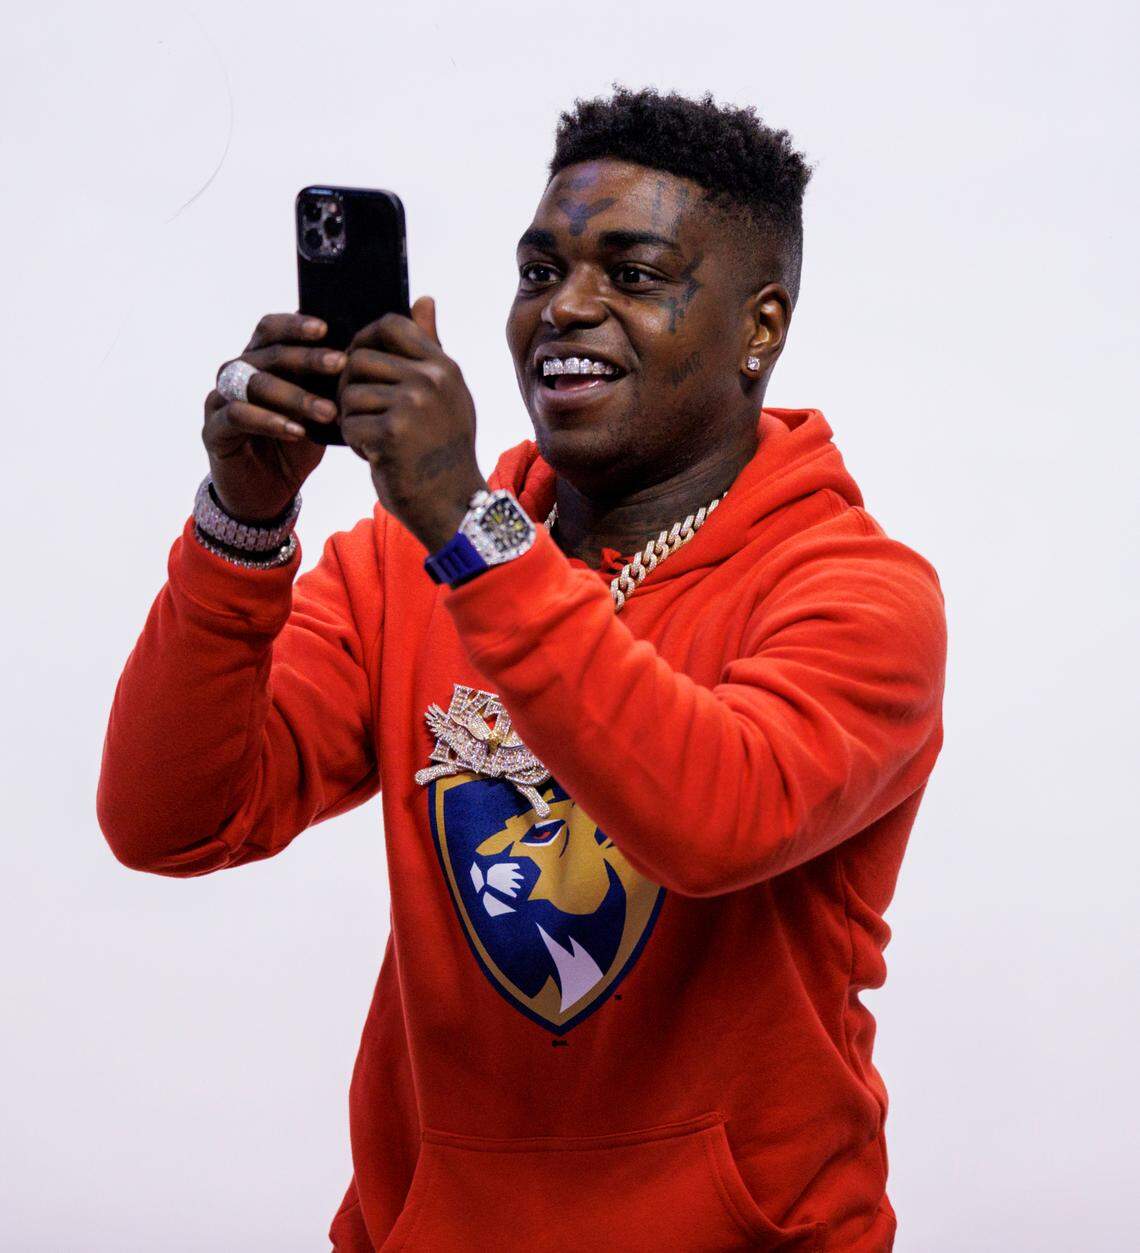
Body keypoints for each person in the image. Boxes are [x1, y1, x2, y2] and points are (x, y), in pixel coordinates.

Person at [97, 85, 946, 1251]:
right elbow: (168, 818)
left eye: (632, 274)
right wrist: (241, 525)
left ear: (761, 328)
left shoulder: (860, 594)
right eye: (540, 270)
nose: (566, 310)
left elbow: (711, 816)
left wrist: (466, 523)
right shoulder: (402, 568)